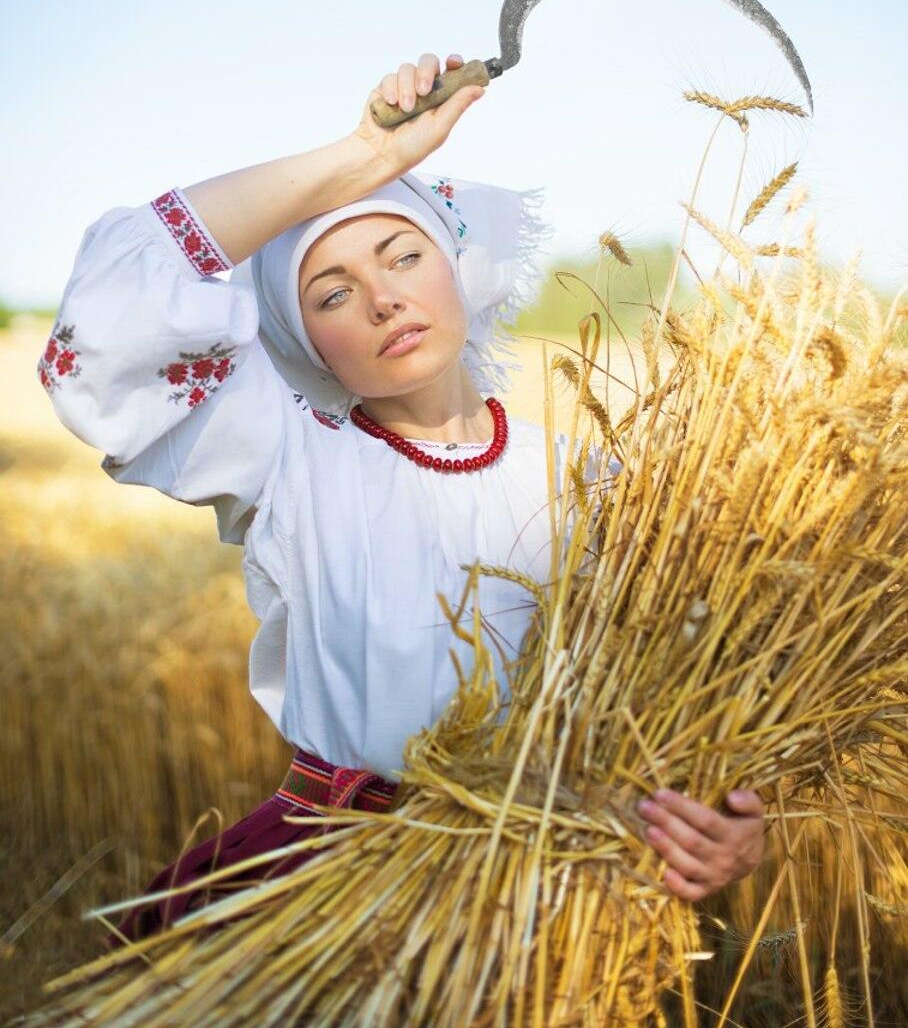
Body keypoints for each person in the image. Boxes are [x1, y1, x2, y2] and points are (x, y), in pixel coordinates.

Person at [38, 52, 765, 944]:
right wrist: (360, 161)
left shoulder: (598, 478)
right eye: (332, 293)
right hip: (333, 887)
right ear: (306, 344)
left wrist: (726, 824)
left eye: (403, 254)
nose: (383, 300)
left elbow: (699, 689)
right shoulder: (287, 456)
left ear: (458, 266)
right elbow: (109, 328)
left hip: (555, 890)